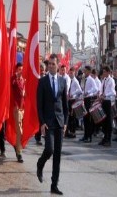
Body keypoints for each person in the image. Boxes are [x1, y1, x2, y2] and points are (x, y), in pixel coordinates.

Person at [36, 54, 68, 195]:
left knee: (57, 155)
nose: (50, 66)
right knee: (49, 149)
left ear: (58, 65)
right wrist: (42, 122)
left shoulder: (62, 81)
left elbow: (65, 104)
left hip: (60, 122)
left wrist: (66, 122)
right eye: (49, 64)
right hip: (48, 122)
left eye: (53, 64)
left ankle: (54, 185)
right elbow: (39, 105)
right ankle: (40, 164)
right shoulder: (42, 82)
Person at [11, 63, 26, 162]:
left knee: (21, 131)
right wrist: (15, 77)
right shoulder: (14, 79)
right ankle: (19, 153)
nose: (21, 71)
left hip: (22, 108)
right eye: (19, 69)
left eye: (22, 69)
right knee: (19, 131)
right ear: (16, 70)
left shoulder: (24, 80)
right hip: (15, 108)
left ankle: (17, 147)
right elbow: (11, 84)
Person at [99, 66, 115, 147]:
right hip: (104, 101)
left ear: (108, 72)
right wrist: (100, 95)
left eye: (105, 71)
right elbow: (101, 89)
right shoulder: (104, 80)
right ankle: (105, 138)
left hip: (108, 102)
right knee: (104, 121)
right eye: (103, 71)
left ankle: (108, 139)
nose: (104, 73)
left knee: (108, 121)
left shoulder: (111, 80)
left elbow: (112, 92)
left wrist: (104, 95)